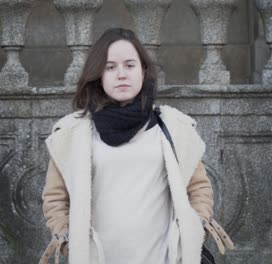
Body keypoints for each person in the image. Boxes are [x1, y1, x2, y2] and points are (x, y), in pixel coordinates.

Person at [39, 28, 234, 264]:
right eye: (110, 67)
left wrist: (194, 231)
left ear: (143, 71)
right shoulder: (73, 133)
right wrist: (70, 240)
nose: (121, 74)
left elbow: (199, 188)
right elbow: (55, 198)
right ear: (98, 75)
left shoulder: (172, 127)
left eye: (129, 65)